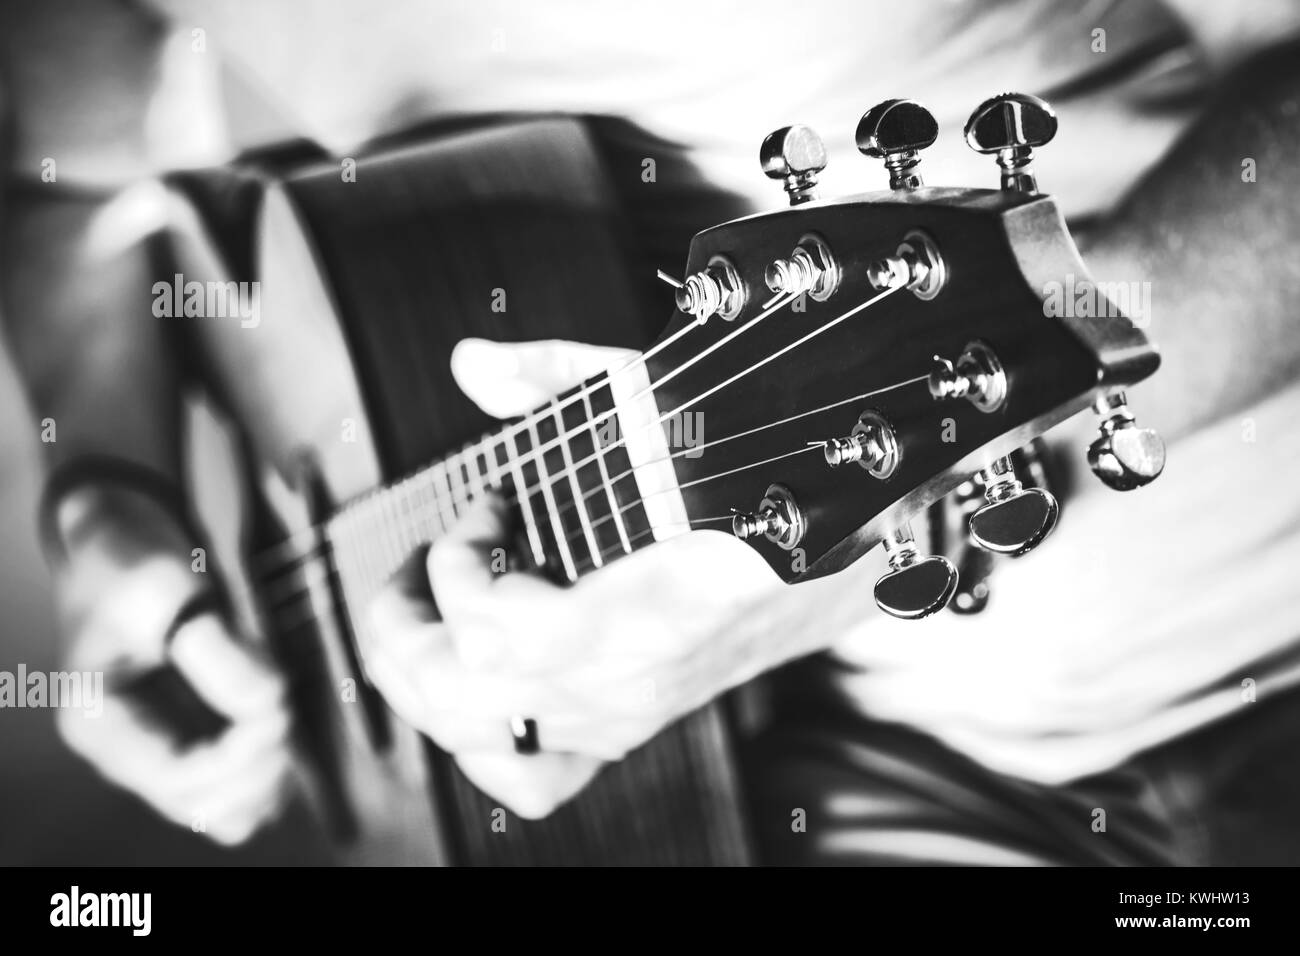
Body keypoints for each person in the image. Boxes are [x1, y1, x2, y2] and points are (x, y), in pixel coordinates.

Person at [4, 0, 1300, 863]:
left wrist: (819, 579)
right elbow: (71, 190)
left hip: (1217, 719)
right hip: (765, 803)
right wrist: (104, 497)